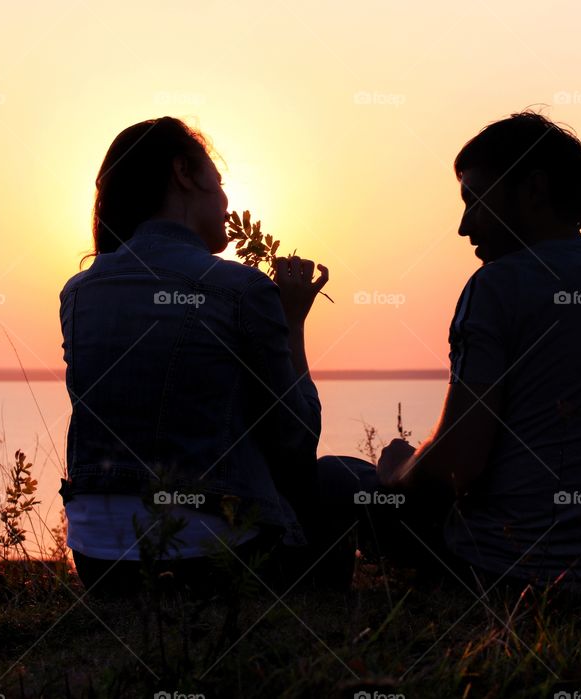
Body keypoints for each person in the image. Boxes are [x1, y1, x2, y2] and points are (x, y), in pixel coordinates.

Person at [58, 117, 369, 597]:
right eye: (219, 183)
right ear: (184, 173)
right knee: (344, 477)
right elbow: (296, 443)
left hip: (102, 565)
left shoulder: (78, 294)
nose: (227, 202)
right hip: (211, 560)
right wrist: (292, 320)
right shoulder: (239, 289)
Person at [372, 110, 581, 595]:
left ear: (533, 190)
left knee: (334, 480)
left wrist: (396, 472)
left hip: (507, 574)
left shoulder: (497, 285)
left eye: (475, 201)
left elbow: (455, 468)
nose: (464, 226)